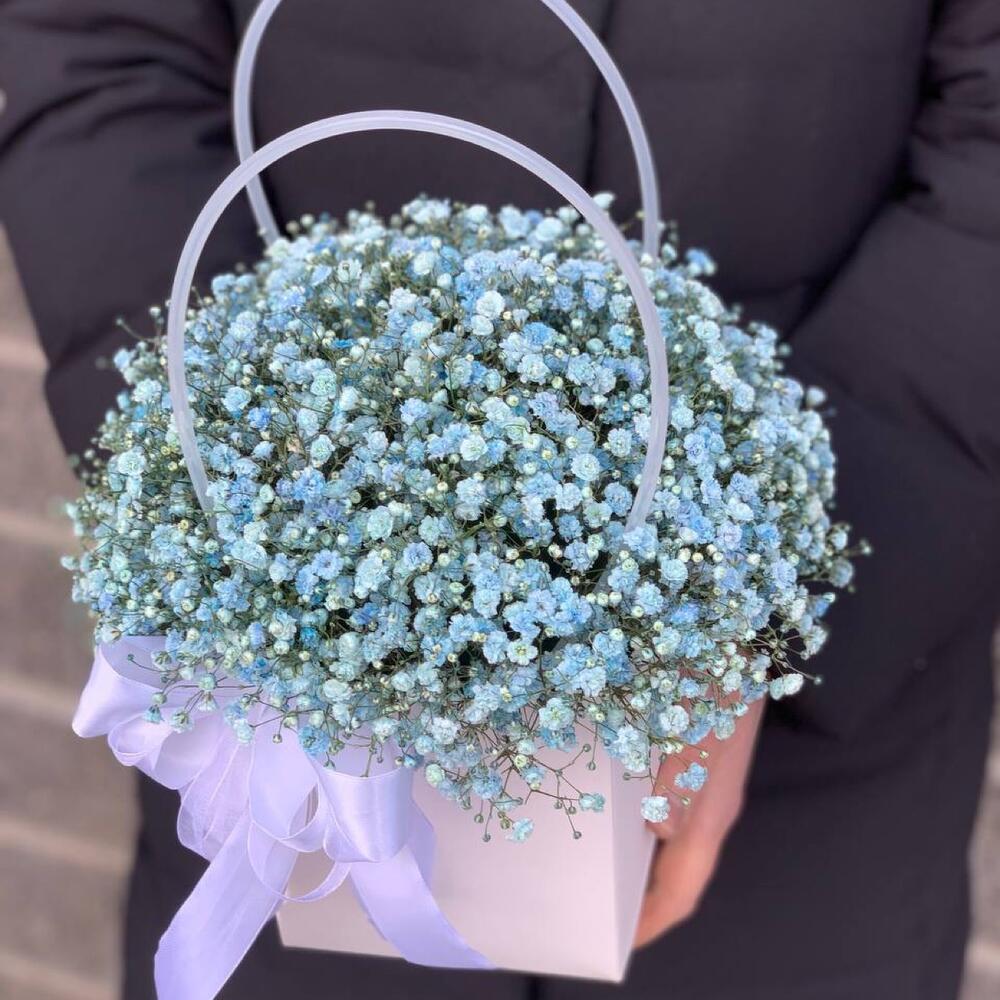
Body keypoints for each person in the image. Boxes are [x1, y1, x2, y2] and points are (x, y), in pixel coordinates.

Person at [1, 2, 998, 998]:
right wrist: (226, 488)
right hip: (295, 763)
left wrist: (757, 610)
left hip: (818, 797)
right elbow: (100, 49)